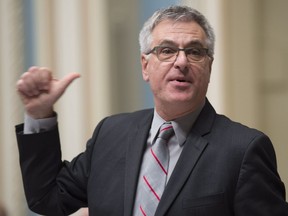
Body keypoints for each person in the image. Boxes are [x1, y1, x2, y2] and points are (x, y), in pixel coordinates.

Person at [15, 5, 288, 216]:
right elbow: (48, 198)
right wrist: (40, 115)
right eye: (167, 50)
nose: (181, 62)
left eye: (194, 52)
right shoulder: (111, 134)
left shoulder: (243, 150)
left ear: (209, 66)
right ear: (145, 66)